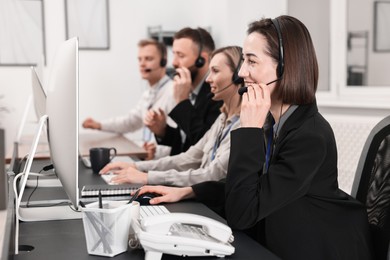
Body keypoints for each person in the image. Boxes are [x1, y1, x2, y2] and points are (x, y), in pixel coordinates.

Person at [134, 16, 373, 260]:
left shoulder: (309, 135)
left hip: (317, 248)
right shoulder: (276, 122)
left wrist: (248, 129)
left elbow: (243, 212)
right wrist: (189, 192)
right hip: (279, 237)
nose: (241, 72)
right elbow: (254, 186)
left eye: (251, 61)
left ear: (285, 67)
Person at [100, 46, 244, 187]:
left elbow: (211, 175)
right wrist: (136, 166)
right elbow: (189, 157)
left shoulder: (243, 125)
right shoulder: (222, 119)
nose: (208, 79)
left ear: (237, 76)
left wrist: (148, 176)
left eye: (215, 71)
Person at [82, 39, 176, 159]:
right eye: (140, 59)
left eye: (148, 59)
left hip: (164, 164)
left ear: (163, 62)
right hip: (148, 160)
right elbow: (131, 122)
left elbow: (179, 139)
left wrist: (155, 153)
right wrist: (99, 125)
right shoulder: (149, 93)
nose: (142, 64)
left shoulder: (173, 91)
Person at [144, 27, 223, 156]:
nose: (174, 62)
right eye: (174, 54)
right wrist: (162, 131)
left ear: (201, 60)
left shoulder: (217, 95)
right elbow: (185, 142)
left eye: (180, 55)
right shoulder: (191, 90)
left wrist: (182, 102)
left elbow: (204, 145)